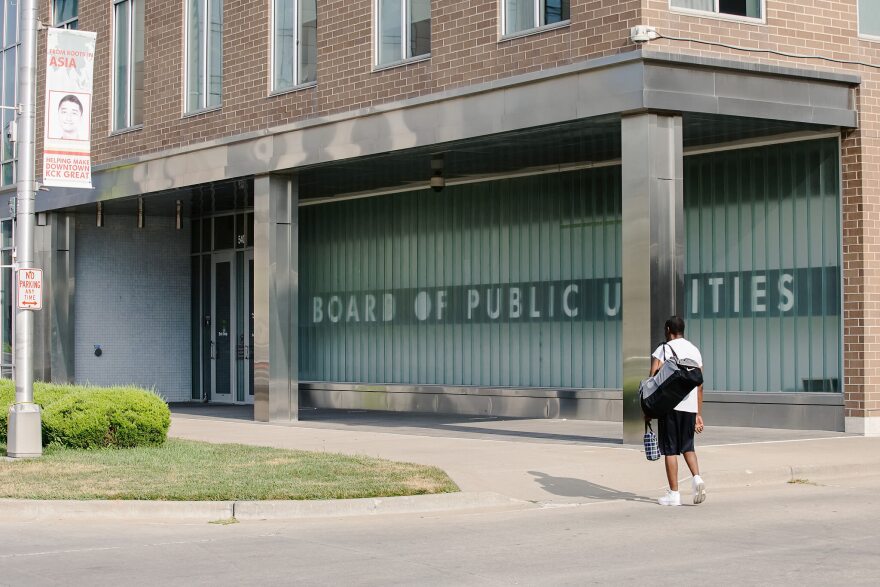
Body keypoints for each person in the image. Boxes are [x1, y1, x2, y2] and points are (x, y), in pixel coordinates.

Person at [649, 315, 706, 506]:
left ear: (667, 330)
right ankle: (697, 478)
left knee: (670, 450)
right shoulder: (694, 350)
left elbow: (652, 381)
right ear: (683, 329)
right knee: (688, 446)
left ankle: (674, 494)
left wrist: (649, 410)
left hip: (669, 406)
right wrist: (698, 413)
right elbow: (699, 385)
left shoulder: (663, 349)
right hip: (690, 408)